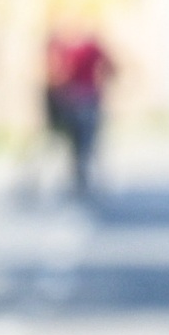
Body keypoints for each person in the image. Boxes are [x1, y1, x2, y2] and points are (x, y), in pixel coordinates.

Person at [43, 25, 113, 211]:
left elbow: (55, 75)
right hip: (82, 99)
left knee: (81, 143)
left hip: (75, 99)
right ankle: (81, 177)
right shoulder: (70, 47)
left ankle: (81, 178)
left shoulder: (80, 48)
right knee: (83, 143)